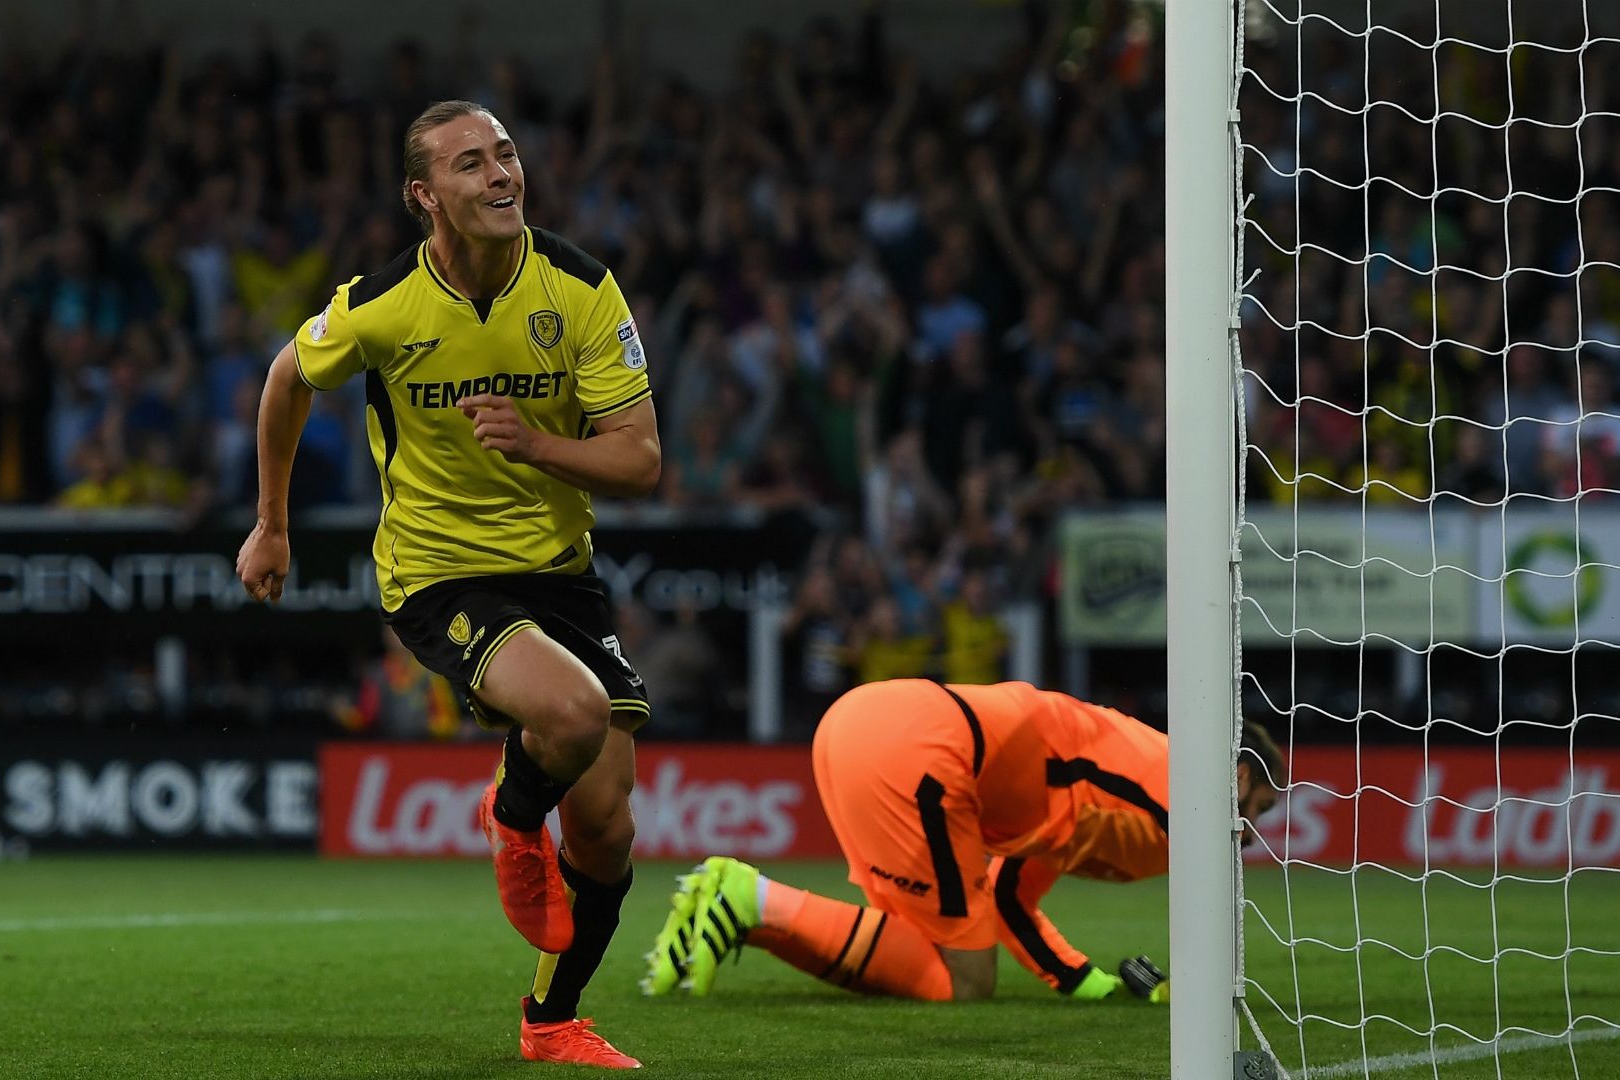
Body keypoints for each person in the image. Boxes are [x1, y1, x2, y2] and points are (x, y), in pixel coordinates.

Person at [236, 100, 660, 1069]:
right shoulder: (382, 303)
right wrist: (271, 524)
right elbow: (285, 379)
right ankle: (511, 818)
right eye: (471, 164)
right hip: (437, 571)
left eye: (506, 155)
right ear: (425, 194)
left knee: (604, 829)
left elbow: (639, 463)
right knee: (572, 713)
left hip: (559, 573)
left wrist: (534, 441)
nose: (501, 175)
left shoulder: (583, 290)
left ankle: (552, 1022)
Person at [642, 679, 1284, 1002]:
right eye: (1258, 808)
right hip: (922, 748)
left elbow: (1009, 899)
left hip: (861, 723)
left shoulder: (1088, 807)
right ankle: (751, 896)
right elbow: (1199, 852)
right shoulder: (1170, 767)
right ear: (1239, 775)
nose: (1252, 832)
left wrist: (1093, 985)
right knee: (964, 980)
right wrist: (1199, 989)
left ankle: (736, 917)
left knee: (917, 954)